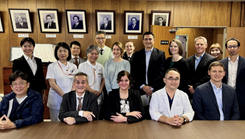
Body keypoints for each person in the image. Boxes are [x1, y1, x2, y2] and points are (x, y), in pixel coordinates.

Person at [131, 32, 166, 119]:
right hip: (140, 89)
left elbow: (161, 73)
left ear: (154, 40)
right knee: (141, 114)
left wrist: (151, 88)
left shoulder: (161, 54)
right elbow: (134, 73)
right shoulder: (136, 55)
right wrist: (143, 86)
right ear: (143, 41)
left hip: (155, 90)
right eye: (146, 39)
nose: (148, 41)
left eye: (150, 39)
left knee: (154, 115)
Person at [46, 42, 77, 121]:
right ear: (56, 53)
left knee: (69, 121)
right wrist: (64, 96)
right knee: (55, 123)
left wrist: (70, 95)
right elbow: (52, 83)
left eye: (65, 51)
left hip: (70, 98)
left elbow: (75, 82)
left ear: (68, 52)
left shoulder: (73, 66)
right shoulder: (52, 66)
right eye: (60, 51)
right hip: (56, 98)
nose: (62, 53)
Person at [12, 37, 47, 102]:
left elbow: (41, 77)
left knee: (37, 110)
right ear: (21, 47)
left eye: (30, 46)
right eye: (25, 46)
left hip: (38, 91)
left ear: (33, 47)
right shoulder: (17, 62)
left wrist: (44, 92)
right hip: (24, 92)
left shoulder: (38, 61)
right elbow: (15, 80)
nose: (27, 48)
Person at [220, 38, 245, 120]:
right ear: (226, 48)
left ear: (239, 47)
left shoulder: (244, 62)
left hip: (242, 97)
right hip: (226, 95)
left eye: (234, 46)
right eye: (230, 46)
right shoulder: (221, 63)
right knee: (227, 119)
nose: (232, 48)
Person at [77, 45, 104, 118]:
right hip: (86, 95)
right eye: (92, 53)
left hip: (98, 95)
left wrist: (100, 90)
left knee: (97, 117)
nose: (94, 56)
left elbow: (103, 79)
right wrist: (91, 91)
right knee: (86, 117)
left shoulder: (100, 66)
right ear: (87, 54)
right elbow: (80, 81)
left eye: (96, 54)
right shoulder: (82, 66)